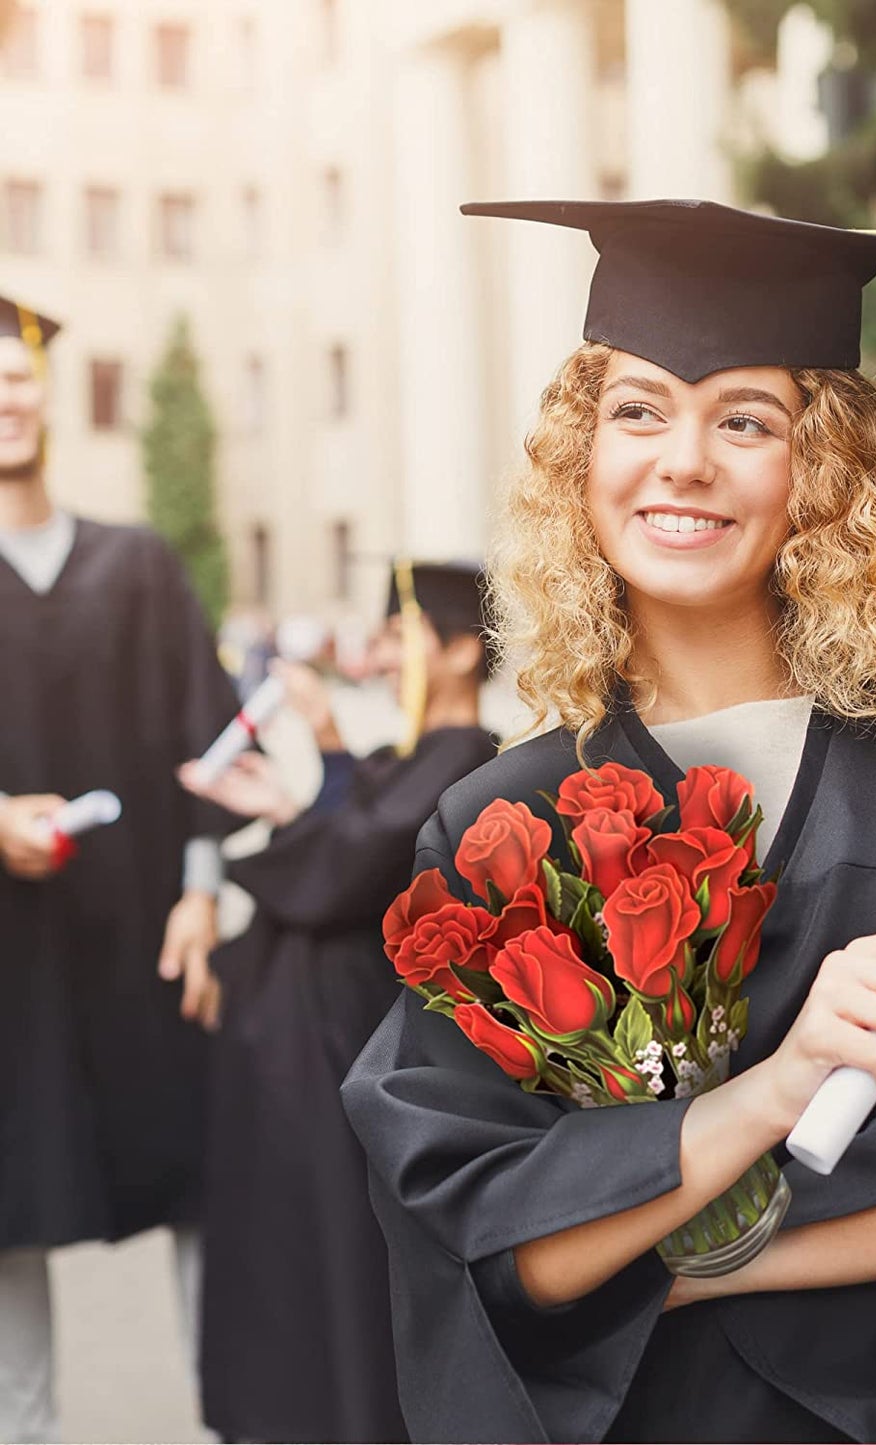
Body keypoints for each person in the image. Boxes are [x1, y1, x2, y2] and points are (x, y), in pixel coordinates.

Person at [342, 199, 876, 1444]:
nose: (682, 460)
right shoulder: (502, 823)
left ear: (833, 466)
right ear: (580, 455)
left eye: (745, 419)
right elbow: (482, 1242)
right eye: (636, 409)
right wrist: (776, 1092)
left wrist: (667, 1251)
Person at [181, 560, 499, 1442]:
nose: (384, 650)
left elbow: (345, 870)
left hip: (344, 1054)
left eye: (402, 634)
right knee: (283, 1263)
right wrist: (303, 788)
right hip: (294, 1053)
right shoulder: (410, 756)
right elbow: (346, 828)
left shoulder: (470, 760)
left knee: (334, 1267)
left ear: (461, 652)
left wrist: (308, 793)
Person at [0, 294, 239, 1441]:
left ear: (46, 391)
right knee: (10, 1209)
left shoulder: (136, 564)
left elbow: (205, 744)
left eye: (20, 372)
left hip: (147, 934)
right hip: (13, 966)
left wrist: (201, 889)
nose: (6, 394)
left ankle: (222, 1417)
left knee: (192, 1174)